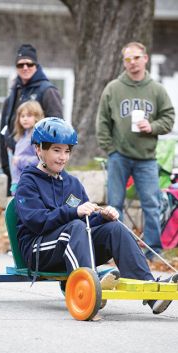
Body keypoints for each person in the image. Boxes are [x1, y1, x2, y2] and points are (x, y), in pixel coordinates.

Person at [15, 117, 178, 315]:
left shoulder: (72, 183)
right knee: (73, 227)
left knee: (114, 229)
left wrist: (102, 217)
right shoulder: (28, 182)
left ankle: (151, 292)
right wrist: (74, 212)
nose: (63, 157)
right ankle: (88, 287)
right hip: (38, 249)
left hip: (70, 245)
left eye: (67, 151)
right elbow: (36, 222)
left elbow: (86, 222)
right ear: (39, 149)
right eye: (56, 150)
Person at [96, 41, 175, 263]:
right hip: (119, 156)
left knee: (152, 204)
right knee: (114, 205)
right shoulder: (113, 88)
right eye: (127, 59)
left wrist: (153, 127)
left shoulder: (156, 89)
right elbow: (102, 121)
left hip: (147, 158)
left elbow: (169, 118)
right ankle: (115, 250)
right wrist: (110, 148)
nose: (132, 63)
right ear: (124, 62)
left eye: (136, 58)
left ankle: (153, 251)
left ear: (145, 58)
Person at [0, 43, 63, 195]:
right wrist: (6, 163)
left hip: (38, 164)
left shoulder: (47, 90)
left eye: (29, 63)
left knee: (37, 205)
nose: (25, 67)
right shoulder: (15, 91)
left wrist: (48, 160)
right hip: (15, 160)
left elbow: (57, 128)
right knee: (16, 207)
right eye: (21, 65)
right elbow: (5, 125)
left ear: (36, 65)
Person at [10, 100, 44, 195]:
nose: (25, 119)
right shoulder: (22, 136)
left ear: (37, 117)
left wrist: (19, 160)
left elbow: (40, 160)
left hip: (30, 183)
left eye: (29, 116)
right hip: (18, 181)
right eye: (22, 116)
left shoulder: (36, 137)